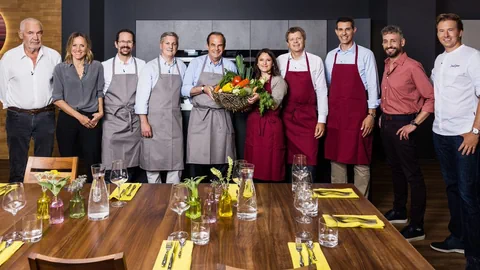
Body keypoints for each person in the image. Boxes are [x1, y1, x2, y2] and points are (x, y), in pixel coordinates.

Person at [430, 13, 480, 268]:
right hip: (441, 134)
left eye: (450, 30)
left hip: (464, 137)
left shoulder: (473, 56)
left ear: (460, 31)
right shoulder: (439, 60)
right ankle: (458, 237)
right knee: (451, 189)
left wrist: (475, 132)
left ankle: (474, 253)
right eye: (441, 31)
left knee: (468, 193)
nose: (445, 35)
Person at [379, 25, 434, 242]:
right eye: (386, 41)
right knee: (395, 170)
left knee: (413, 175)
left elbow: (431, 98)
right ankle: (399, 211)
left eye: (394, 41)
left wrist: (415, 124)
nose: (389, 45)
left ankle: (417, 226)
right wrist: (384, 115)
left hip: (405, 124)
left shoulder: (412, 67)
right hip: (388, 123)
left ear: (402, 42)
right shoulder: (387, 64)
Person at [324, 17, 380, 197]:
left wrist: (371, 115)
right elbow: (328, 86)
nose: (344, 33)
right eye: (340, 29)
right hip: (336, 116)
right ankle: (339, 201)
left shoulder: (366, 54)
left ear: (354, 30)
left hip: (359, 116)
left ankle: (362, 205)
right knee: (337, 160)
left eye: (347, 29)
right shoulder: (331, 56)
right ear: (336, 32)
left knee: (361, 160)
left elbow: (373, 86)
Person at [0, 18, 60, 182]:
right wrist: (17, 107)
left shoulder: (54, 56)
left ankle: (43, 201)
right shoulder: (9, 58)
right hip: (17, 117)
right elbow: (2, 88)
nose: (35, 37)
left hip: (45, 116)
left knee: (45, 165)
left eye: (39, 32)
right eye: (30, 33)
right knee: (17, 164)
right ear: (21, 35)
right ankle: (16, 204)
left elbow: (58, 88)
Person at [181, 32, 237, 177]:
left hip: (222, 117)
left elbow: (236, 93)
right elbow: (184, 89)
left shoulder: (230, 66)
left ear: (224, 47)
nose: (216, 49)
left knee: (222, 163)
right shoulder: (196, 63)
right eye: (213, 45)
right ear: (207, 46)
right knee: (197, 163)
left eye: (220, 45)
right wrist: (203, 88)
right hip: (200, 117)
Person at [277, 27, 328, 181]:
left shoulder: (315, 61)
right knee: (287, 158)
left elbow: (321, 91)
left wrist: (321, 120)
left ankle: (307, 195)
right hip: (287, 117)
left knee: (310, 156)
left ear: (304, 40)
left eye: (298, 38)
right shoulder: (280, 60)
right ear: (287, 43)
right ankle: (288, 196)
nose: (296, 42)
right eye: (292, 39)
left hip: (308, 118)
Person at [52, 32, 104, 182]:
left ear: (87, 47)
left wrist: (100, 112)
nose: (78, 49)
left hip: (91, 119)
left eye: (82, 45)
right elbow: (57, 99)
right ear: (69, 47)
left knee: (92, 160)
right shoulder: (60, 69)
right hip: (68, 119)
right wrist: (79, 117)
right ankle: (68, 196)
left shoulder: (97, 67)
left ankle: (93, 195)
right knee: (69, 161)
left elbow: (100, 91)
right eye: (74, 45)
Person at [135, 32, 186, 184]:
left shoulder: (181, 66)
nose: (171, 46)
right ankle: (155, 202)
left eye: (174, 43)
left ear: (177, 46)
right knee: (153, 165)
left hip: (174, 123)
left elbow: (184, 92)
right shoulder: (150, 67)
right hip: (154, 123)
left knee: (175, 165)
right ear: (161, 45)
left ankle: (173, 200)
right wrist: (144, 122)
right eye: (167, 43)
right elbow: (141, 98)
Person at [102, 29, 145, 180]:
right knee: (111, 164)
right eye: (122, 41)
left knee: (133, 166)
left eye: (129, 42)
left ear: (133, 45)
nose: (125, 45)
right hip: (112, 122)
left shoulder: (142, 65)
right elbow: (98, 95)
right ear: (116, 44)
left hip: (133, 121)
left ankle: (132, 201)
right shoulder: (105, 66)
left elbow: (145, 95)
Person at [244, 49, 288, 182]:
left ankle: (273, 198)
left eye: (268, 60)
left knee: (271, 164)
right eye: (261, 60)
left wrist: (260, 97)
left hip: (271, 127)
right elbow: (246, 106)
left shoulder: (278, 81)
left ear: (273, 63)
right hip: (254, 126)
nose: (265, 63)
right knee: (254, 165)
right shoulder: (252, 82)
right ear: (257, 63)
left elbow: (274, 103)